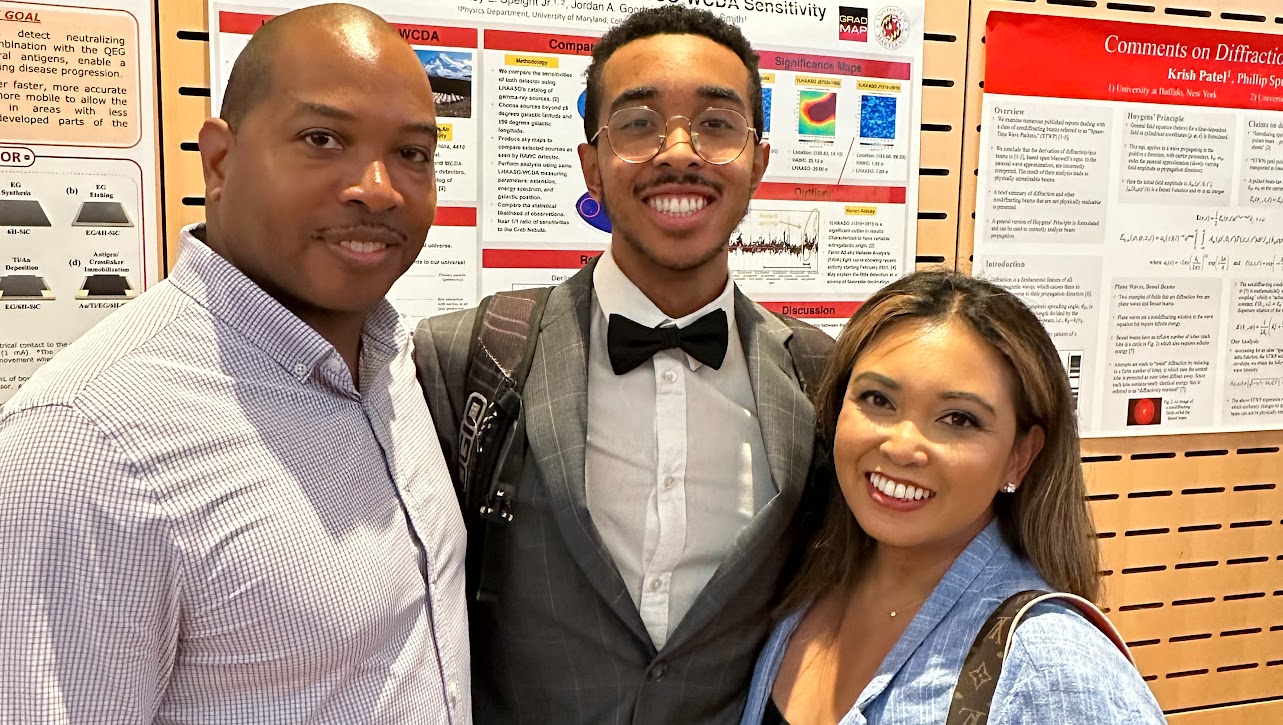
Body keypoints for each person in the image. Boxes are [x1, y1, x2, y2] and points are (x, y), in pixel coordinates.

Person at [0, 5, 470, 722]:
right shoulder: (85, 441)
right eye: (323, 138)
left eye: (411, 153)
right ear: (219, 161)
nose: (378, 187)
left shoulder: (395, 365)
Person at [414, 6, 833, 723]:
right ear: (592, 166)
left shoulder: (822, 379)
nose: (678, 150)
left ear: (758, 160)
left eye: (716, 124)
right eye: (638, 123)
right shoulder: (466, 355)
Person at [740, 271, 1166, 724]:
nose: (902, 446)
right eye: (878, 399)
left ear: (1020, 456)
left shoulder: (1048, 666)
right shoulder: (808, 580)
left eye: (959, 419)